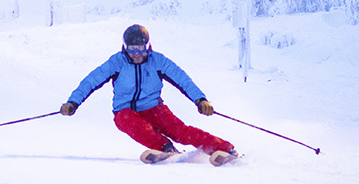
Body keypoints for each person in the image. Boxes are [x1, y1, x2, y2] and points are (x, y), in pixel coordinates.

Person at [60, 24, 236, 158]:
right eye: (131, 49)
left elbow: (183, 79)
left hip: (154, 109)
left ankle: (225, 149)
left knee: (181, 132)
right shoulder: (117, 62)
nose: (136, 53)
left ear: (148, 46)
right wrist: (72, 102)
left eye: (141, 49)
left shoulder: (158, 61)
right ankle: (165, 148)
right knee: (126, 120)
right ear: (124, 48)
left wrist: (200, 100)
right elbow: (91, 81)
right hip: (125, 111)